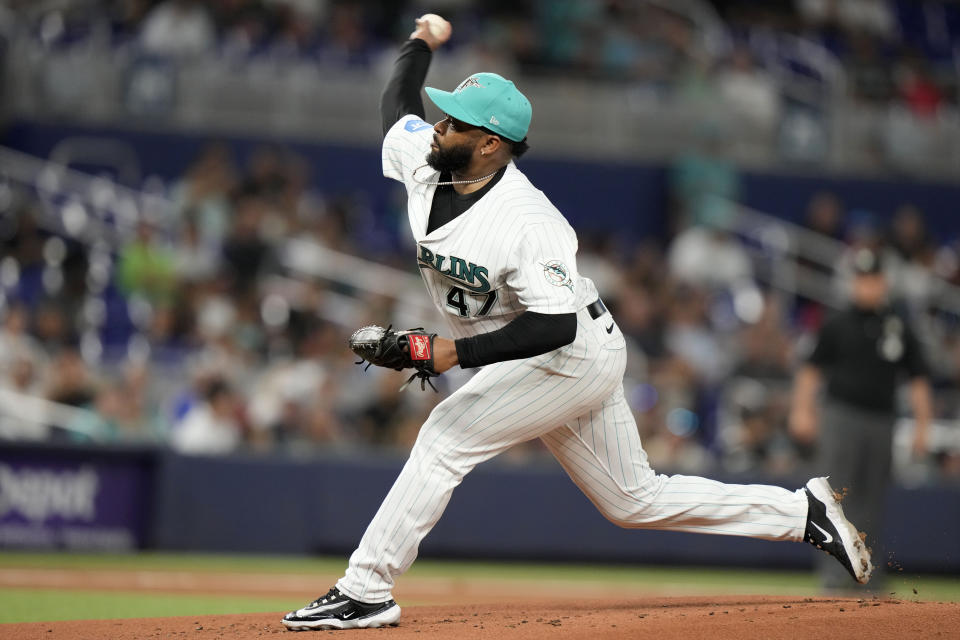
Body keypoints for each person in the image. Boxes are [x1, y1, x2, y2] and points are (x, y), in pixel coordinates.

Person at [282, 16, 873, 632]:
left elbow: (554, 328)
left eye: (455, 119)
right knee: (632, 499)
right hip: (544, 348)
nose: (439, 124)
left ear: (491, 144)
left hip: (570, 352)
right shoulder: (428, 157)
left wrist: (447, 354)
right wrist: (422, 43)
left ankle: (366, 588)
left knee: (445, 435)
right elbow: (395, 104)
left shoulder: (528, 221)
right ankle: (803, 511)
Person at [789, 246, 932, 593]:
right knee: (833, 497)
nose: (867, 286)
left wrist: (923, 425)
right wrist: (802, 409)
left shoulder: (898, 326)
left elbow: (917, 378)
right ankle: (833, 576)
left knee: (873, 498)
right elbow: (811, 370)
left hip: (883, 421)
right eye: (862, 279)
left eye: (873, 279)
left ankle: (868, 577)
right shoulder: (837, 322)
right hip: (842, 417)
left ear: (884, 282)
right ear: (854, 282)